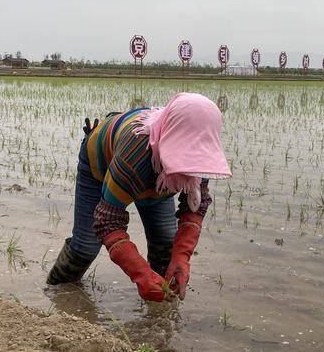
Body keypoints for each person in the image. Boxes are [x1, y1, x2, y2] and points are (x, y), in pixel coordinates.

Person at [47, 93, 232, 301]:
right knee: (86, 246)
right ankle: (56, 296)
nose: (190, 168)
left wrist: (182, 257)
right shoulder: (134, 156)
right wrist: (140, 274)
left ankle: (162, 311)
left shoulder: (200, 154)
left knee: (166, 245)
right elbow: (108, 221)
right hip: (99, 166)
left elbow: (195, 206)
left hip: (152, 175)